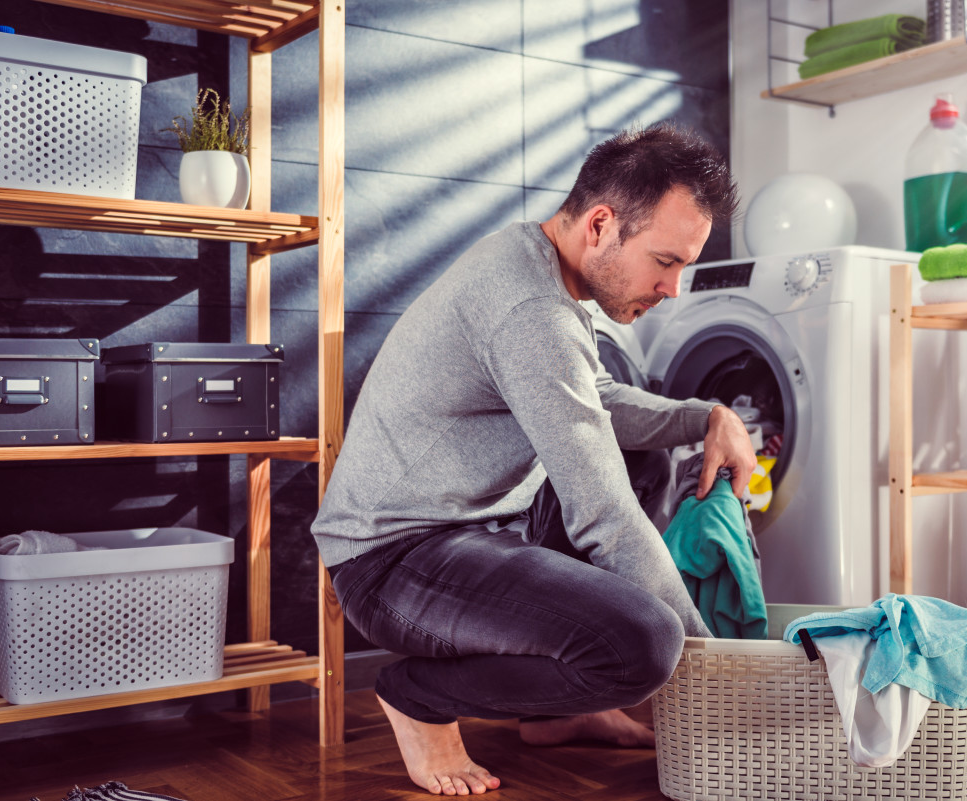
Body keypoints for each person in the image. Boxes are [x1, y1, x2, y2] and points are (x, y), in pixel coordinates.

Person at [310, 122, 755, 796]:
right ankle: (418, 695)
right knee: (645, 644)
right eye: (666, 262)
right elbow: (603, 513)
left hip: (472, 530)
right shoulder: (531, 308)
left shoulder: (535, 262)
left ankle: (554, 714)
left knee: (648, 462)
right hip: (394, 560)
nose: (674, 288)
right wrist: (714, 669)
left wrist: (707, 416)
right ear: (602, 225)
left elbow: (594, 398)